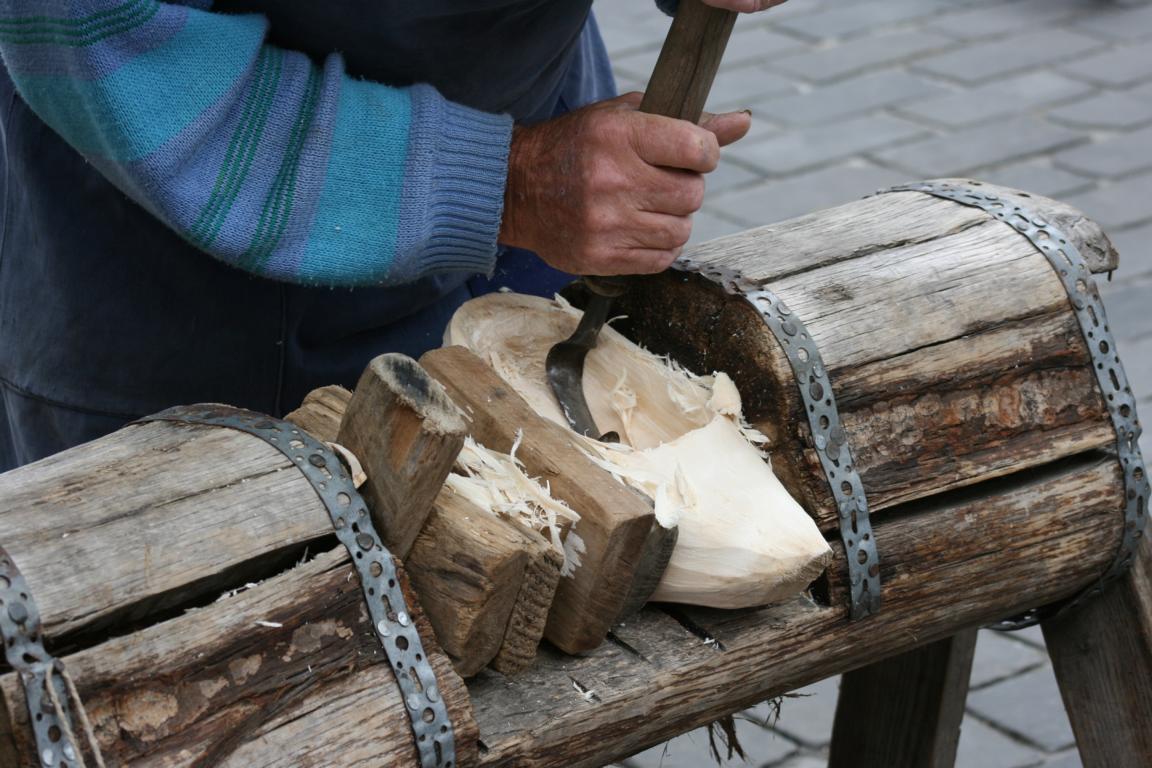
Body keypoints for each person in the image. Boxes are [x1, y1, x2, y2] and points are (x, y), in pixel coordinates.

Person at [0, 0, 784, 471]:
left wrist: (534, 187)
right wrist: (512, 183)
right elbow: (105, 39)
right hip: (191, 273)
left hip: (541, 193)